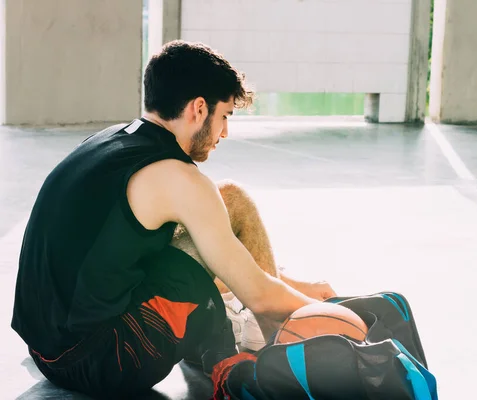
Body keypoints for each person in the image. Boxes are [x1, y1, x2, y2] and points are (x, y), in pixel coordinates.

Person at [11, 40, 336, 399]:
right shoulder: (178, 178)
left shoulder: (111, 141)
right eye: (225, 115)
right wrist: (330, 313)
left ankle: (244, 309)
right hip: (103, 362)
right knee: (190, 277)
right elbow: (259, 295)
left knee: (230, 201)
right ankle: (262, 339)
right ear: (199, 109)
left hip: (47, 350)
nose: (224, 132)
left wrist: (292, 286)